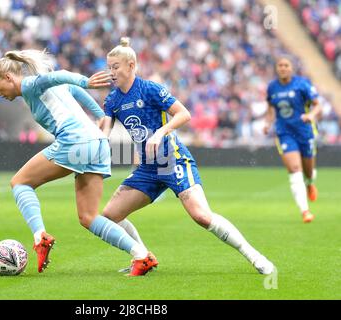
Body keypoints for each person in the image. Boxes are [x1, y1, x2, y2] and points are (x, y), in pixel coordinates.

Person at [100, 37, 274, 276]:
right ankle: (143, 257)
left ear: (131, 65)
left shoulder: (150, 89)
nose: (111, 72)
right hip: (148, 168)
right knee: (109, 216)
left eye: (116, 66)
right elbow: (103, 131)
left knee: (201, 216)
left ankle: (254, 255)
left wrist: (160, 133)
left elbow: (184, 114)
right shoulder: (112, 100)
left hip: (172, 159)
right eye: (109, 67)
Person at [0, 49, 154, 276]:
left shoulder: (29, 85)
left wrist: (86, 81)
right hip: (97, 144)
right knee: (89, 217)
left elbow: (60, 76)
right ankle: (141, 255)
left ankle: (40, 237)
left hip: (75, 143)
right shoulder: (43, 89)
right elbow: (74, 90)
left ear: (8, 78)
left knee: (20, 183)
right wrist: (101, 116)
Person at [264, 56, 322, 223]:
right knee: (295, 169)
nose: (283, 68)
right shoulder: (272, 87)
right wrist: (268, 123)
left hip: (305, 131)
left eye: (286, 65)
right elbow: (270, 108)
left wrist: (310, 115)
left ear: (291, 68)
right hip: (284, 133)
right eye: (280, 65)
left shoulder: (302, 84)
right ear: (276, 68)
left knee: (308, 171)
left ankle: (310, 183)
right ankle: (305, 211)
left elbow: (318, 105)